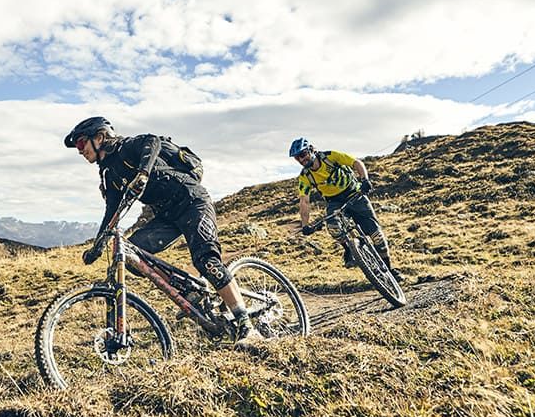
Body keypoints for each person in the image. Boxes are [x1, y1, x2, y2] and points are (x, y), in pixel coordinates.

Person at [65, 116, 263, 346]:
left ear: (99, 137)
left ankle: (246, 325)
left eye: (81, 144)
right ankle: (191, 290)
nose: (79, 151)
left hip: (192, 202)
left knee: (206, 262)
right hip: (166, 216)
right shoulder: (109, 173)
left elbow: (153, 142)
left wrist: (143, 173)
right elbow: (111, 211)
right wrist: (98, 245)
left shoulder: (126, 147)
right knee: (132, 255)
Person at [289, 137, 402, 277]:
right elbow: (304, 201)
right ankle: (349, 249)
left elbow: (356, 163)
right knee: (333, 227)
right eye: (297, 158)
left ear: (311, 150)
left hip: (354, 193)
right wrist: (305, 225)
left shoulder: (330, 157)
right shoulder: (305, 177)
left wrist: (364, 180)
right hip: (334, 202)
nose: (301, 160)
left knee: (377, 236)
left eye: (302, 154)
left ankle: (390, 270)